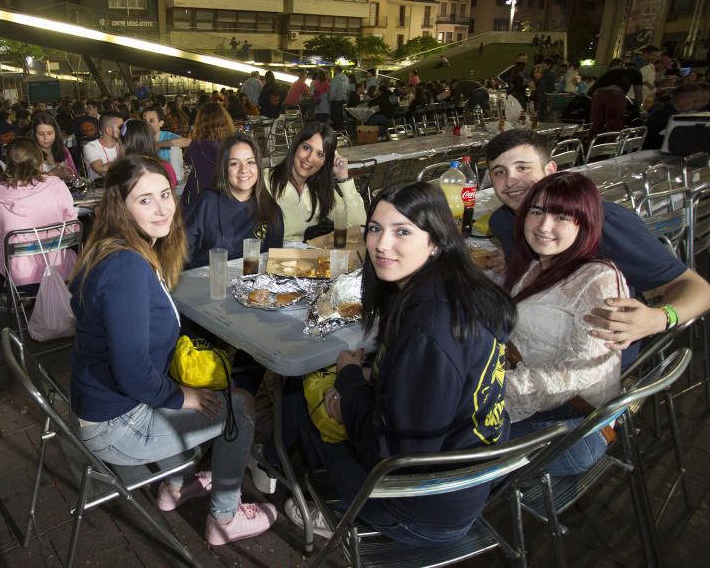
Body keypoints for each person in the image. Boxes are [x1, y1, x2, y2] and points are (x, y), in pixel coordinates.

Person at [262, 181, 514, 544]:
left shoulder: (430, 329)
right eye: (376, 229)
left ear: (436, 241)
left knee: (301, 400)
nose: (382, 244)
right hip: (463, 485)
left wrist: (349, 383)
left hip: (419, 511)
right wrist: (370, 376)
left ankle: (327, 507)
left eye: (403, 232)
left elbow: (390, 452)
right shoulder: (463, 294)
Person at [69, 155, 278, 545]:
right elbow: (133, 373)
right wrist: (178, 396)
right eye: (144, 200)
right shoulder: (126, 268)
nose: (163, 207)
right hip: (117, 425)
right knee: (241, 407)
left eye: (165, 194)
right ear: (120, 206)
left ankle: (176, 487)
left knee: (195, 390)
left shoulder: (110, 250)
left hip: (101, 404)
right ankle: (223, 520)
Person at [484, 130, 710, 366]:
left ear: (550, 170)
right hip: (533, 342)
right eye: (499, 172)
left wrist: (658, 318)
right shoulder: (502, 221)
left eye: (523, 168)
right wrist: (516, 260)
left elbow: (698, 289)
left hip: (595, 359)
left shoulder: (602, 222)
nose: (510, 181)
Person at [503, 172, 627, 475]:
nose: (544, 226)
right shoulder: (535, 265)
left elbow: (581, 373)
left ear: (584, 223)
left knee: (449, 445)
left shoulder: (598, 280)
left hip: (575, 429)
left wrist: (496, 389)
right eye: (537, 211)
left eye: (562, 216)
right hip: (543, 407)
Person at [0, 137, 78, 291]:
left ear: (7, 163)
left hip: (20, 275)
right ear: (39, 159)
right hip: (61, 268)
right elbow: (71, 226)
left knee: (2, 254)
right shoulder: (56, 184)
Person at [184, 133, 283, 268]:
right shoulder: (206, 204)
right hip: (209, 284)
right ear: (224, 168)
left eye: (250, 162)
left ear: (259, 167)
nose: (244, 170)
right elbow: (182, 257)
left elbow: (273, 264)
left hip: (254, 286)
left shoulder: (271, 210)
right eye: (234, 163)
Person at [266, 122, 366, 242]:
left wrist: (344, 179)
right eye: (306, 148)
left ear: (325, 161)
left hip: (310, 256)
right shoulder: (266, 181)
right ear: (296, 146)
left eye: (319, 154)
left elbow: (357, 227)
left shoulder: (321, 189)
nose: (309, 158)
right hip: (273, 256)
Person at [180, 102, 233, 208]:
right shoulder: (232, 145)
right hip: (227, 197)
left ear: (200, 123)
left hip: (200, 198)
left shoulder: (195, 145)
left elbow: (188, 161)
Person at [587, 59, 643, 138]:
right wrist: (638, 108)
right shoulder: (636, 72)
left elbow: (590, 92)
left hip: (597, 96)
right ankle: (610, 149)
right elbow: (638, 96)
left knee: (595, 128)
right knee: (613, 129)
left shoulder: (611, 72)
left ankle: (591, 147)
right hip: (615, 96)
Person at [641, 84, 705, 150]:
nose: (696, 105)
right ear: (682, 100)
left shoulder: (666, 111)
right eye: (695, 101)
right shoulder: (667, 117)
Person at [121, 119, 178, 188]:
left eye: (118, 142)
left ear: (126, 145)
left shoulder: (128, 172)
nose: (117, 145)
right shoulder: (166, 166)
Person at [30, 112, 78, 181]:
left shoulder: (64, 150)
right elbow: (29, 185)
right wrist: (51, 174)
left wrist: (70, 174)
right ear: (34, 134)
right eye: (41, 134)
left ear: (56, 132)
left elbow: (75, 176)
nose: (45, 137)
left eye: (50, 133)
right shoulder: (30, 155)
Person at [82, 111, 123, 179]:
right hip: (99, 187)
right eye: (120, 127)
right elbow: (101, 170)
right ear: (109, 130)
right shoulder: (91, 146)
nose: (123, 130)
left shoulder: (122, 143)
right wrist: (124, 157)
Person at [327, 66, 349, 130]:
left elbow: (333, 91)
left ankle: (339, 131)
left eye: (334, 70)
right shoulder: (346, 78)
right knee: (342, 117)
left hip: (336, 101)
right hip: (344, 101)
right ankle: (343, 131)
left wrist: (330, 100)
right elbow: (349, 90)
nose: (334, 71)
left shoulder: (335, 79)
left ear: (336, 70)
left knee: (336, 117)